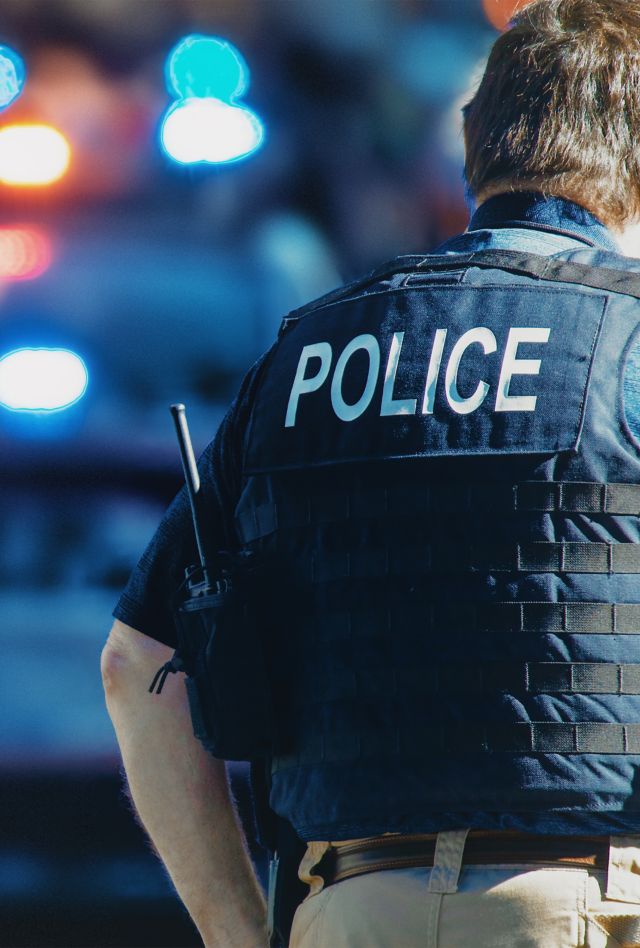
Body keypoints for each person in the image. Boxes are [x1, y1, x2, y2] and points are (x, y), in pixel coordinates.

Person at [102, 1, 640, 945]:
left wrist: (239, 930)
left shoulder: (308, 357)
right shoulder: (630, 341)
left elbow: (135, 664)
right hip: (589, 905)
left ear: (476, 148)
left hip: (343, 909)